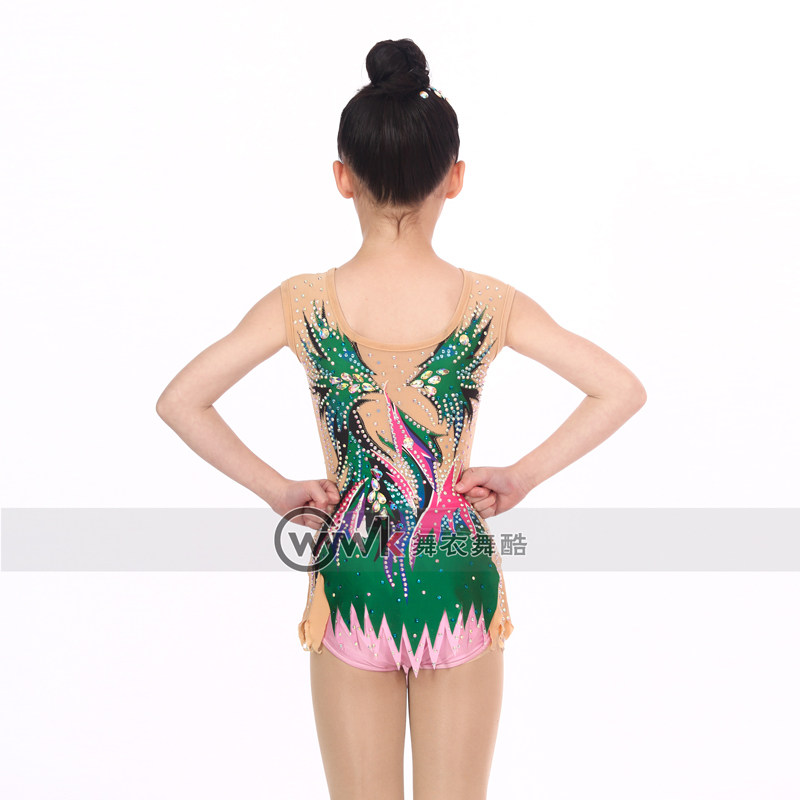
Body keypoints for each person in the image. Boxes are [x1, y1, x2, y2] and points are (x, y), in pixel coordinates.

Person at [156, 37, 646, 800]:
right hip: (455, 572)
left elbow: (181, 400)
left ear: (342, 177)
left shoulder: (303, 305)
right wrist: (521, 477)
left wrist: (278, 491)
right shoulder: (489, 304)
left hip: (353, 576)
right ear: (454, 178)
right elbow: (619, 389)